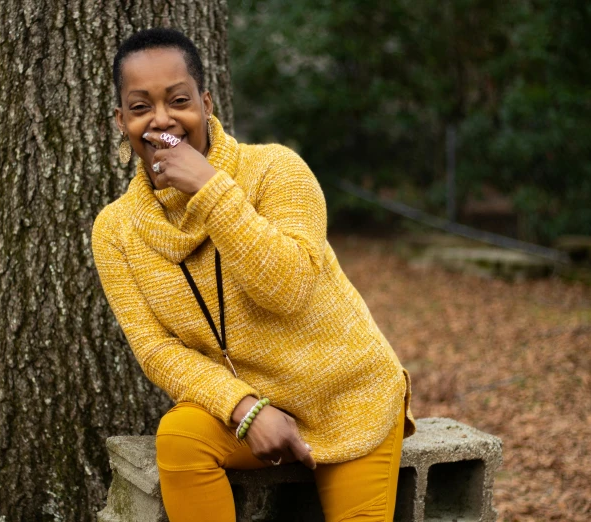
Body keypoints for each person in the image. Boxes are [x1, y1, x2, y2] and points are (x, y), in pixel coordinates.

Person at [91, 27, 415, 522]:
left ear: (206, 101)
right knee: (179, 437)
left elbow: (288, 290)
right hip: (251, 406)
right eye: (140, 107)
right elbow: (156, 351)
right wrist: (245, 408)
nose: (161, 120)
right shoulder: (115, 230)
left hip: (350, 398)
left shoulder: (276, 171)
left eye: (178, 100)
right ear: (121, 120)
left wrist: (211, 188)